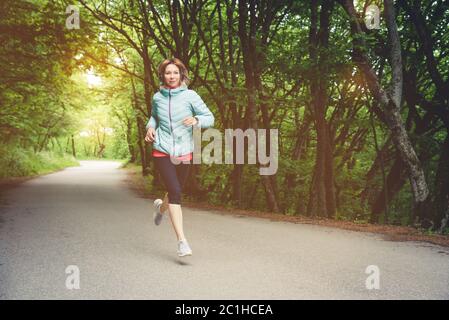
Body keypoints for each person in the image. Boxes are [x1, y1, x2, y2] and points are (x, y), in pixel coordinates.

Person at [144, 58, 214, 257]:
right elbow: (154, 116)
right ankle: (182, 242)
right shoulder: (157, 97)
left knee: (174, 191)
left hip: (184, 150)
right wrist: (150, 127)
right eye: (168, 73)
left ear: (181, 75)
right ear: (163, 75)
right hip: (162, 149)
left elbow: (210, 117)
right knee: (175, 191)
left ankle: (160, 209)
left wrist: (197, 119)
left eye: (175, 72)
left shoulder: (190, 96)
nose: (172, 76)